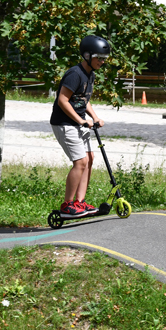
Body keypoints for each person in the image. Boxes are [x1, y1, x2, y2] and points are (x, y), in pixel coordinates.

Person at [50, 35, 111, 216]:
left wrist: (95, 117)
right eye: (99, 57)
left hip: (78, 123)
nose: (102, 61)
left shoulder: (89, 74)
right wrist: (81, 120)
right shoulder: (75, 74)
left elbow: (84, 100)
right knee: (81, 161)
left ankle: (80, 202)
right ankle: (67, 205)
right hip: (64, 123)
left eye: (104, 58)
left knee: (89, 158)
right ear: (87, 55)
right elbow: (62, 100)